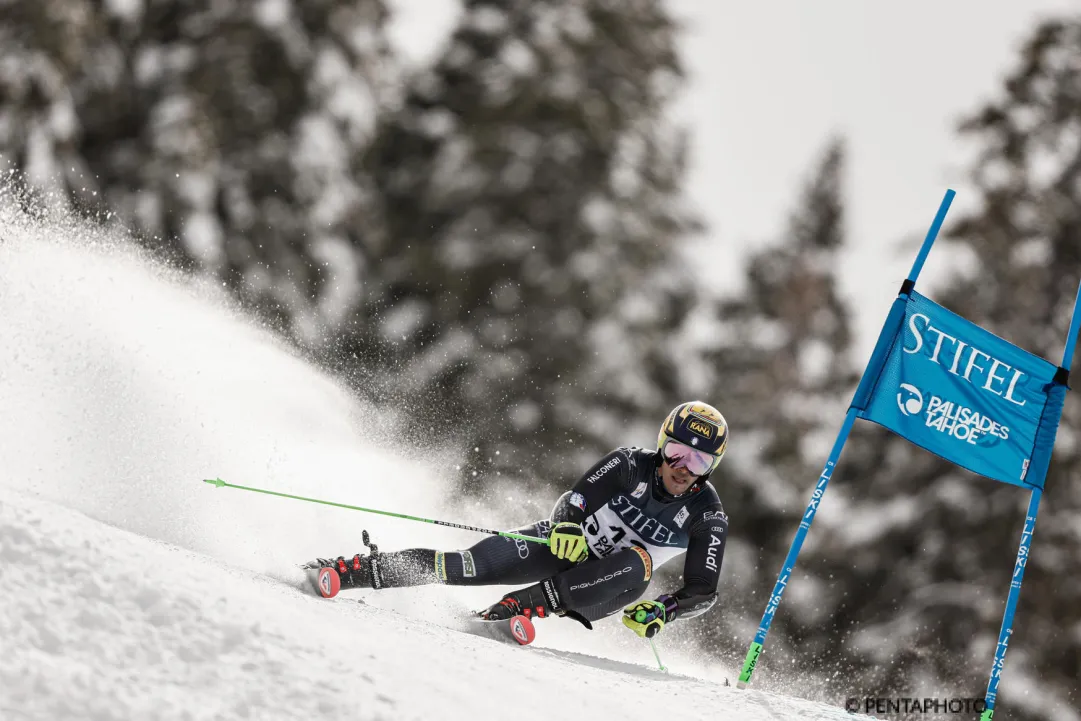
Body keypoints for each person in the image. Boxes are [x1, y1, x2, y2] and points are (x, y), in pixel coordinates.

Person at [305, 401, 730, 640]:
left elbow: (703, 590)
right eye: (677, 452)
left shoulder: (707, 515)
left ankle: (525, 605)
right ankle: (354, 570)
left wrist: (665, 609)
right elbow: (576, 499)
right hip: (565, 550)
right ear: (662, 445)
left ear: (713, 466)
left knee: (638, 561)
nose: (684, 467)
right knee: (466, 566)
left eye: (699, 460)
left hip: (607, 585)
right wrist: (565, 526)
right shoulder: (628, 464)